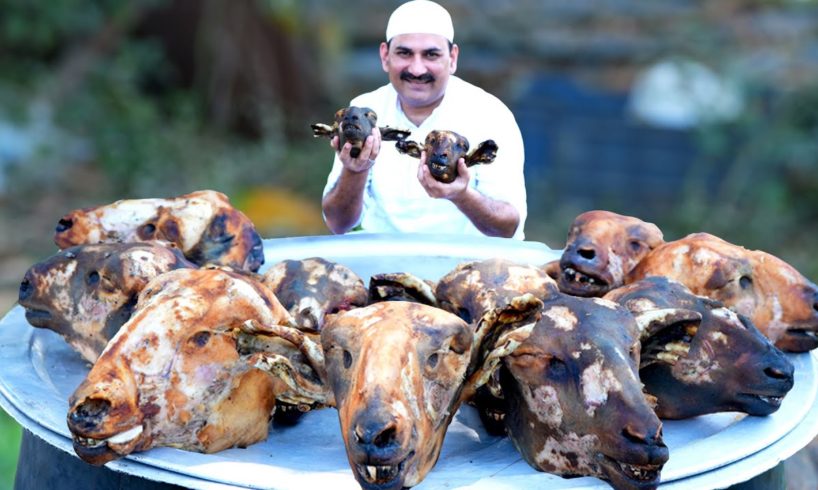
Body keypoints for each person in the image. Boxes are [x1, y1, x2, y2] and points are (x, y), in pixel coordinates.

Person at [321, 0, 527, 239]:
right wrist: (354, 172)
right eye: (404, 53)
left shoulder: (490, 114)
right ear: (385, 56)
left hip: (470, 269)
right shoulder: (365, 113)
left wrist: (460, 195)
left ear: (452, 58)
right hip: (382, 266)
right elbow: (337, 224)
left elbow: (508, 228)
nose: (417, 69)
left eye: (431, 55)